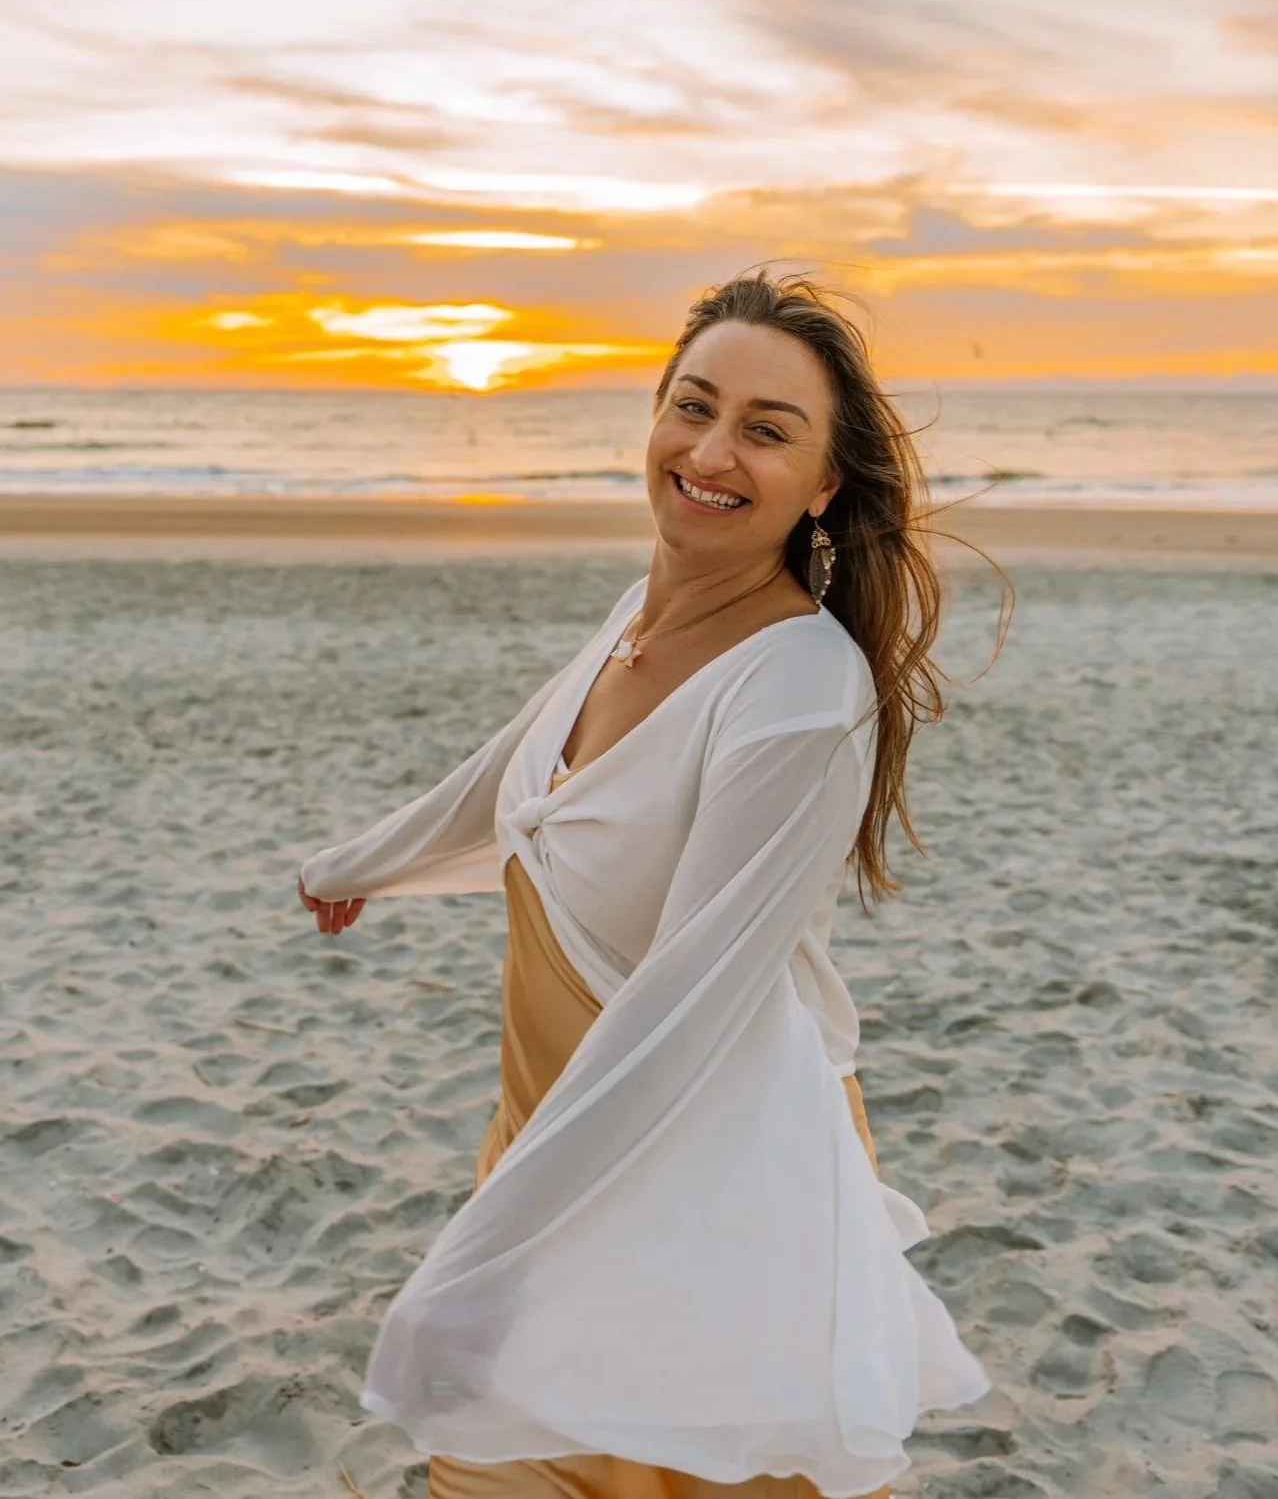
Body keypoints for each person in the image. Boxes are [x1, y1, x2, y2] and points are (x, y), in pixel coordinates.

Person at [298, 271, 991, 1499]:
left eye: (767, 431)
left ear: (823, 485)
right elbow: (522, 767)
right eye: (693, 404)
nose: (710, 451)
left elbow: (683, 1015)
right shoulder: (637, 613)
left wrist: (487, 1256)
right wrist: (364, 861)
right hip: (554, 1137)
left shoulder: (798, 696)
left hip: (691, 1183)